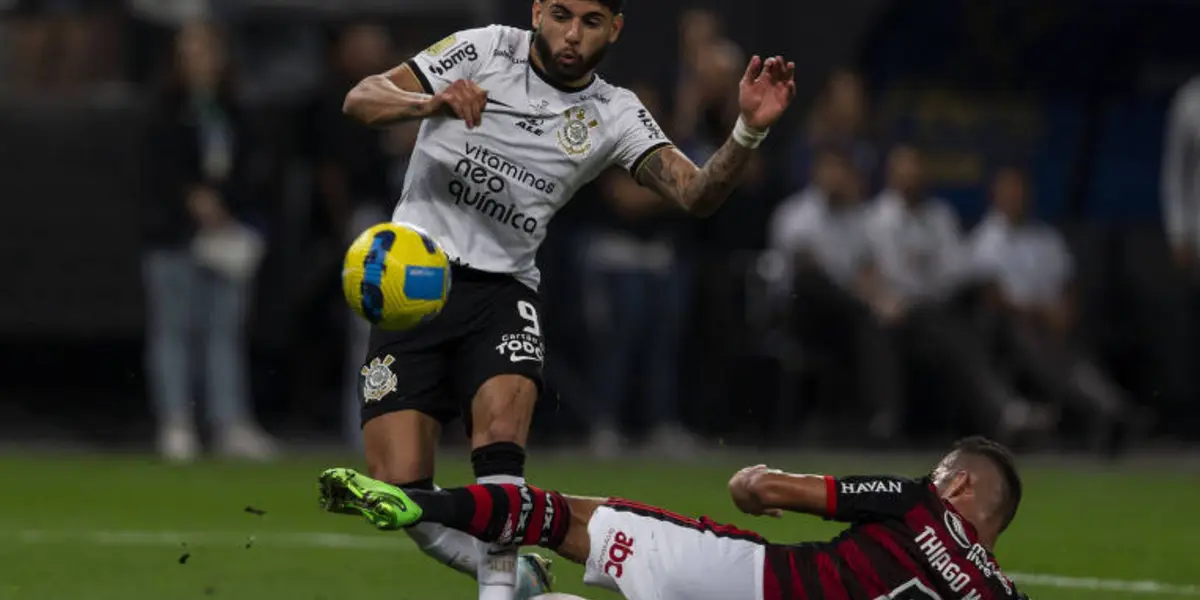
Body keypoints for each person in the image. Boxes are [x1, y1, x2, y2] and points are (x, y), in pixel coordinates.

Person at [335, 0, 798, 598]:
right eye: (560, 15)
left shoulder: (614, 111)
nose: (572, 33)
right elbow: (361, 97)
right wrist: (427, 103)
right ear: (536, 13)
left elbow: (697, 193)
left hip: (503, 292)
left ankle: (497, 596)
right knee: (399, 492)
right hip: (414, 284)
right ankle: (516, 578)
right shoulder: (484, 48)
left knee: (499, 453)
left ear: (616, 28)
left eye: (590, 21)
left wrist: (748, 129)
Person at [318, 436, 1029, 600]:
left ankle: (425, 503)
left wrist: (753, 485)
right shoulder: (1000, 595)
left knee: (568, 518)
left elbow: (772, 489)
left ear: (958, 483)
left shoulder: (919, 502)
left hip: (753, 583)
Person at [141, 20, 278, 463]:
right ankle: (176, 421)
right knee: (173, 330)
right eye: (190, 53)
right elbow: (154, 169)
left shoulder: (237, 111)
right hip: (173, 236)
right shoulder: (162, 110)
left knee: (225, 331)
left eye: (206, 52)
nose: (199, 62)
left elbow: (257, 167)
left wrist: (225, 205)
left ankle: (229, 421)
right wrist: (189, 197)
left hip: (227, 236)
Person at [969, 166, 1139, 453]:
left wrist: (1066, 310)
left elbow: (1069, 283)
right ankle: (1106, 407)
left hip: (1056, 322)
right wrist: (1039, 313)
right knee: (1036, 340)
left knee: (1079, 333)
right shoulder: (985, 239)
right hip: (1015, 324)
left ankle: (1109, 408)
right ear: (995, 196)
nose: (1016, 198)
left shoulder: (1046, 237)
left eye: (1021, 191)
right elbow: (991, 297)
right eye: (1009, 191)